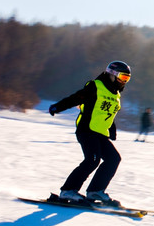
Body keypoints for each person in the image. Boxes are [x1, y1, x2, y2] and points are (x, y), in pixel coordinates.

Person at [48, 61, 131, 206]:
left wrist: (112, 130)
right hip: (87, 131)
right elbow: (76, 98)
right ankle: (68, 190)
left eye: (127, 79)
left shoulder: (116, 93)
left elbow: (108, 113)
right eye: (123, 77)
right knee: (92, 160)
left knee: (113, 159)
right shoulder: (96, 86)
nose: (124, 81)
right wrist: (58, 107)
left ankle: (95, 191)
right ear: (112, 75)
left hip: (101, 133)